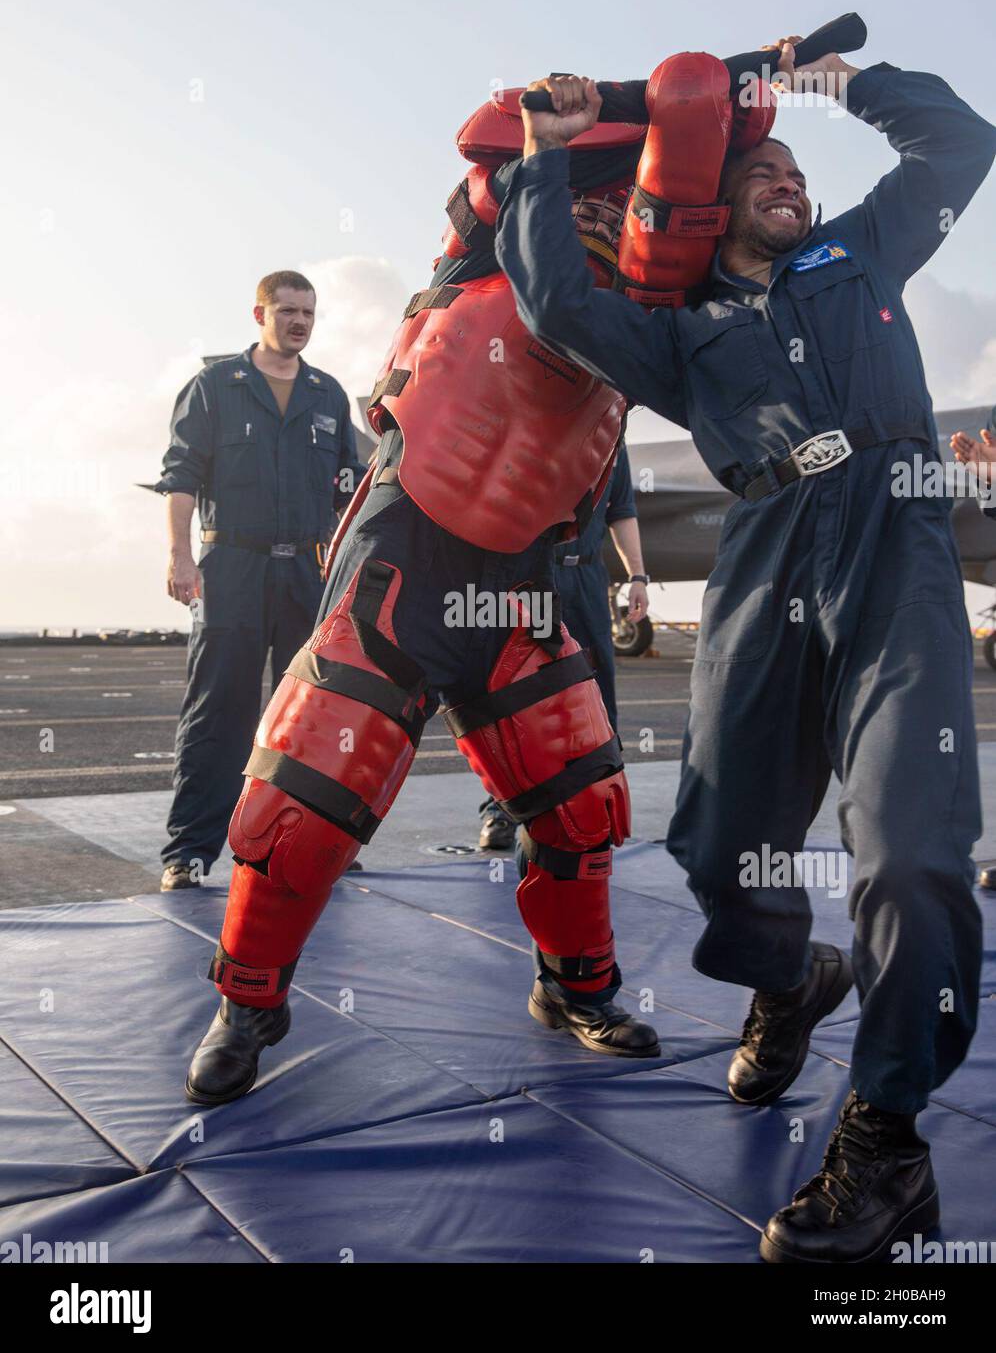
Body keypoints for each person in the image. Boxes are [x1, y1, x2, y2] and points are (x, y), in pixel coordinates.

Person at [494, 39, 996, 1263]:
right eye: (762, 169)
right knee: (718, 839)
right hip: (766, 551)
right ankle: (788, 973)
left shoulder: (863, 249)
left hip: (894, 542)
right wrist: (540, 165)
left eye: (792, 168)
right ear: (716, 214)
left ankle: (884, 1136)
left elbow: (962, 143)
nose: (787, 177)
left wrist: (831, 86)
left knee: (914, 845)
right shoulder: (680, 332)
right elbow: (558, 299)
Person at [182, 79, 709, 1109]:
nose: (602, 216)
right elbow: (490, 127)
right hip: (405, 564)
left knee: (582, 802)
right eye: (586, 197)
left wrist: (719, 110)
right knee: (304, 799)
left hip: (522, 583)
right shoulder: (489, 242)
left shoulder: (648, 321)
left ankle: (576, 986)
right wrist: (653, 96)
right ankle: (248, 1002)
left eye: (624, 204)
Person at [156, 271, 362, 891]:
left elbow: (349, 492)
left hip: (307, 570)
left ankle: (313, 847)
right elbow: (181, 478)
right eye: (288, 311)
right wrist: (179, 556)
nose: (300, 321)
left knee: (310, 717)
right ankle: (189, 851)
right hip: (231, 568)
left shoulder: (329, 395)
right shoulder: (215, 387)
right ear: (259, 314)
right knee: (218, 711)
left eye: (309, 312)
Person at [478, 444, 649, 851]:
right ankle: (500, 812)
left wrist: (638, 575)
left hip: (588, 580)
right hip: (531, 576)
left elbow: (621, 510)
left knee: (597, 697)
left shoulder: (611, 439)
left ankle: (595, 808)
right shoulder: (532, 420)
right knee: (514, 695)